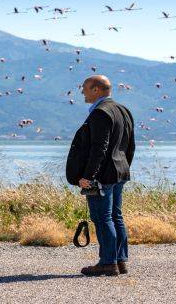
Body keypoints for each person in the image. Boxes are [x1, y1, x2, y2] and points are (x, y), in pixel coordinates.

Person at [66, 75, 135, 277]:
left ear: (96, 89)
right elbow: (130, 145)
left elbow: (99, 149)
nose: (82, 92)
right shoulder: (123, 111)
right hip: (119, 171)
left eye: (85, 88)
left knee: (103, 217)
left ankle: (107, 263)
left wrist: (88, 176)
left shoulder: (100, 113)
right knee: (116, 216)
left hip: (103, 175)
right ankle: (121, 261)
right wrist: (124, 167)